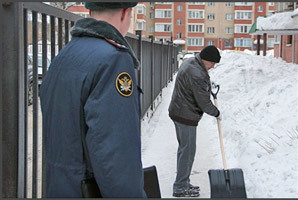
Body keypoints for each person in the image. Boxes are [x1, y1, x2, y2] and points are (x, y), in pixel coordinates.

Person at [40, 2, 146, 198]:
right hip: (88, 189)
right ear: (126, 13)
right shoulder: (114, 59)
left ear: (89, 12)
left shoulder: (65, 55)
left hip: (60, 187)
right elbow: (116, 155)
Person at [168, 45, 221, 197]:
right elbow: (204, 103)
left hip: (178, 111)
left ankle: (183, 182)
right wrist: (216, 113)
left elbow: (195, 85)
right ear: (206, 60)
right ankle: (180, 188)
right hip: (185, 116)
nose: (213, 66)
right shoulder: (197, 73)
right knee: (188, 152)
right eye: (213, 63)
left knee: (184, 150)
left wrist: (207, 85)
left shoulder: (191, 62)